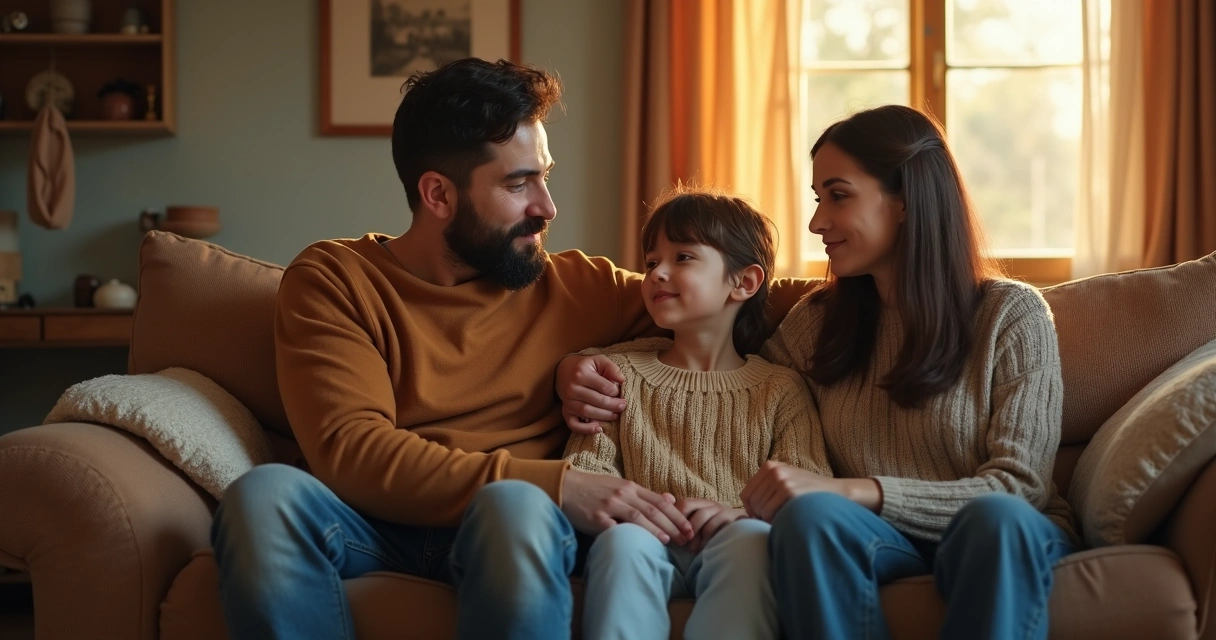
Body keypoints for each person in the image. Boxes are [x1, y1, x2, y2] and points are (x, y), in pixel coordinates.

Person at [208, 58, 816, 640]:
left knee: (513, 508)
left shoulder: (576, 287)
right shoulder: (337, 278)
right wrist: (558, 485)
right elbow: (352, 451)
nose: (547, 208)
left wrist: (887, 273)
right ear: (438, 195)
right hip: (376, 526)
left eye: (544, 177)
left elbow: (732, 298)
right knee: (261, 498)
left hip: (516, 529)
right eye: (519, 183)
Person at [557, 104, 1078, 640]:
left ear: (905, 200)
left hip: (1002, 533)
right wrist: (577, 367)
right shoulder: (817, 322)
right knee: (809, 520)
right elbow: (719, 353)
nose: (816, 222)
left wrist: (854, 491)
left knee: (992, 518)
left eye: (838, 195)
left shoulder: (1011, 315)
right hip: (879, 540)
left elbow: (1018, 489)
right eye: (817, 199)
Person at [563, 188, 832, 640]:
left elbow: (807, 484)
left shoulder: (781, 389)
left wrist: (743, 516)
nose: (656, 274)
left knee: (753, 544)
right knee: (621, 545)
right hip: (641, 533)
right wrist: (636, 512)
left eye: (683, 257)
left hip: (736, 535)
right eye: (651, 262)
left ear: (744, 282)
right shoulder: (618, 372)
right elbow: (588, 471)